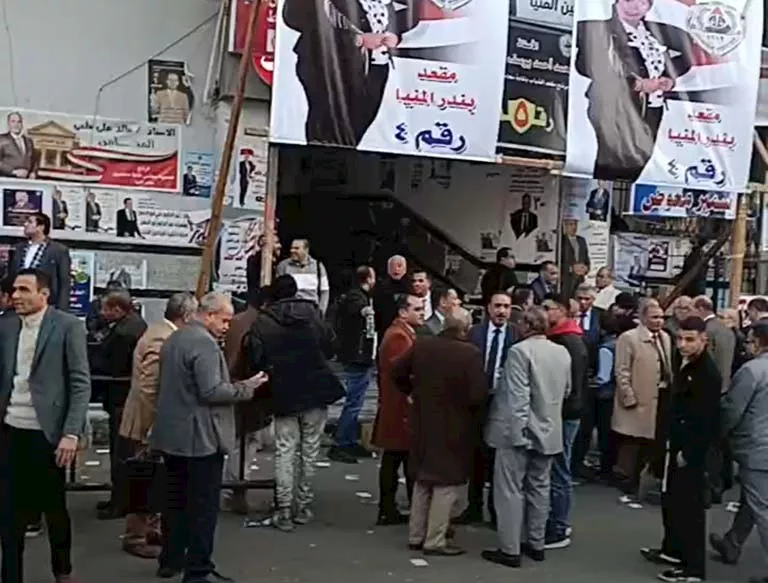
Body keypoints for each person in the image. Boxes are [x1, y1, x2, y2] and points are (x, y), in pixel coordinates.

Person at [152, 292, 269, 582]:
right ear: (209, 315)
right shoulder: (204, 344)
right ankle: (198, 569)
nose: (228, 326)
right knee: (202, 508)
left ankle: (171, 559)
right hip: (200, 436)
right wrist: (246, 387)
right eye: (224, 320)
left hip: (172, 433)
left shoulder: (175, 338)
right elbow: (211, 391)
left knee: (175, 501)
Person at [0, 268, 91, 583]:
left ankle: (62, 570)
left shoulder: (67, 326)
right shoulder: (6, 326)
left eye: (24, 290)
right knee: (9, 512)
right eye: (14, 290)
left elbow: (80, 383)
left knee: (54, 508)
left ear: (44, 294)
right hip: (10, 429)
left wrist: (71, 432)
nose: (16, 296)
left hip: (49, 434)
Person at [247, 275, 343, 531]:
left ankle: (284, 508)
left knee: (285, 450)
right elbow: (331, 347)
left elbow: (256, 358)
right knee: (310, 451)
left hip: (284, 391)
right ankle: (303, 505)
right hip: (316, 387)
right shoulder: (312, 314)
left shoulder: (263, 321)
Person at [394, 307, 487, 556]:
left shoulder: (423, 345)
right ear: (465, 329)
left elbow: (397, 371)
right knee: (446, 482)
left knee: (423, 479)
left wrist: (412, 392)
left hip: (423, 419)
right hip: (455, 423)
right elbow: (477, 395)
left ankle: (416, 534)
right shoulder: (470, 354)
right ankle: (435, 539)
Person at [483, 307, 572, 568]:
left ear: (526, 325)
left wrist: (518, 431)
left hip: (521, 431)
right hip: (550, 429)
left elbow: (517, 397)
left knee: (510, 490)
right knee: (539, 487)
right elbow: (566, 390)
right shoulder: (562, 352)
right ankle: (536, 542)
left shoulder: (519, 352)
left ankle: (509, 548)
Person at [575, 0, 695, 182]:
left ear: (649, 7)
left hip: (651, 105)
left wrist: (668, 78)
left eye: (642, 3)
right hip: (613, 105)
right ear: (616, 2)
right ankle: (600, 195)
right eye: (628, 0)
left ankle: (618, 196)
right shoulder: (599, 29)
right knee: (613, 158)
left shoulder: (655, 32)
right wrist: (636, 84)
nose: (634, 7)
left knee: (639, 158)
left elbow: (687, 55)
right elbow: (586, 65)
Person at [640, 317, 721, 583]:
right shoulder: (683, 362)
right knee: (672, 500)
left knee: (690, 509)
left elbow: (706, 420)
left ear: (704, 340)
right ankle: (672, 549)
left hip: (690, 450)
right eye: (680, 339)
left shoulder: (707, 373)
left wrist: (689, 453)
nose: (683, 345)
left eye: (690, 340)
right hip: (673, 442)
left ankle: (693, 568)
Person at [118, 293, 198, 558]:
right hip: (147, 421)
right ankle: (136, 535)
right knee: (145, 477)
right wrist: (154, 423)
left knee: (153, 477)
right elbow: (150, 386)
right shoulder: (162, 338)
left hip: (147, 418)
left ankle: (150, 529)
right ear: (187, 315)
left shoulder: (160, 332)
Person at [282, 0, 421, 147]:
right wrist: (357, 39)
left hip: (376, 63)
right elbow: (294, 18)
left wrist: (394, 32)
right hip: (327, 63)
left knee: (357, 127)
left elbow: (412, 9)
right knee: (327, 129)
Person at [710, 322, 768, 578]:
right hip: (762, 445)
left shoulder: (752, 371)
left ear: (759, 342)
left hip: (757, 447)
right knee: (753, 499)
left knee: (761, 507)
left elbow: (733, 410)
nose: (746, 346)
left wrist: (719, 434)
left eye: (749, 341)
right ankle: (732, 542)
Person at [459, 291, 516, 526]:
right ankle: (473, 507)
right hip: (477, 401)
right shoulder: (475, 333)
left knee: (498, 459)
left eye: (506, 307)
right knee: (475, 455)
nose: (502, 311)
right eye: (498, 306)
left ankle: (495, 510)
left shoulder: (516, 335)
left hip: (502, 402)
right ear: (489, 308)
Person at [221, 276, 274, 515]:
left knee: (238, 441)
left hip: (231, 383)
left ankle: (232, 487)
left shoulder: (236, 321)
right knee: (247, 442)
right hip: (248, 388)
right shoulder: (260, 324)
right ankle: (236, 490)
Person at [92, 291, 148, 520]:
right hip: (125, 396)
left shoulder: (124, 333)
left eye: (105, 309)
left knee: (121, 453)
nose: (101, 313)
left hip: (121, 397)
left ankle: (120, 501)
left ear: (117, 309)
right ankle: (122, 499)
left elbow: (110, 364)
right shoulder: (135, 324)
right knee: (124, 451)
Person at [613, 299, 672, 507]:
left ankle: (643, 482)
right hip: (637, 398)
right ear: (643, 317)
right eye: (655, 317)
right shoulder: (628, 338)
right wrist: (628, 396)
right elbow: (621, 371)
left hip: (660, 397)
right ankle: (627, 482)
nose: (659, 321)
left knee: (652, 443)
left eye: (662, 317)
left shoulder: (665, 337)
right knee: (633, 443)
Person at [371, 294, 424, 525]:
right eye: (417, 309)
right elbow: (402, 372)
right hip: (399, 408)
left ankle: (390, 508)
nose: (422, 313)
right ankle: (390, 508)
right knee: (398, 460)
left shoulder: (403, 334)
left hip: (397, 407)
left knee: (396, 460)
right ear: (403, 312)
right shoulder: (399, 337)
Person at [541, 293, 588, 549]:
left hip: (565, 414)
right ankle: (557, 521)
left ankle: (558, 526)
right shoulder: (567, 339)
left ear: (561, 310)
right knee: (558, 467)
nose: (544, 312)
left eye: (548, 308)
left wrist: (562, 411)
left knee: (559, 469)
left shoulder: (568, 341)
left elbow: (573, 384)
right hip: (567, 412)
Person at [328, 266, 378, 464]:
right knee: (354, 401)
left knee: (356, 399)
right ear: (368, 279)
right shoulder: (357, 297)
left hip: (358, 354)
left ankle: (348, 439)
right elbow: (358, 309)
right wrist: (366, 311)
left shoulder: (357, 296)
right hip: (357, 355)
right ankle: (341, 442)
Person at [571, 284, 605, 477]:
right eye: (580, 299)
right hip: (572, 371)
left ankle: (579, 460)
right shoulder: (570, 315)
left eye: (587, 299)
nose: (583, 303)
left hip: (591, 374)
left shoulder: (600, 316)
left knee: (586, 421)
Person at [8, 213, 71, 311]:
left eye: (30, 222)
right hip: (19, 302)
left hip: (46, 303)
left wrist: (62, 309)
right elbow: (11, 276)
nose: (25, 224)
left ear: (41, 227)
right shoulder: (19, 248)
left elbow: (64, 282)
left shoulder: (58, 250)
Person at [275, 238, 330, 314]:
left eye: (296, 248)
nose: (292, 251)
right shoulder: (283, 266)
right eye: (291, 248)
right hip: (290, 311)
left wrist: (321, 312)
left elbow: (324, 292)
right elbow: (278, 291)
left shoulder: (318, 266)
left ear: (306, 250)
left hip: (312, 311)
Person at [373, 254, 409, 338]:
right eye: (392, 266)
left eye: (399, 266)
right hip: (385, 329)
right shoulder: (381, 288)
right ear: (388, 269)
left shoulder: (410, 287)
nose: (396, 269)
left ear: (405, 269)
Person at [560, 219, 590, 299]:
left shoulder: (581, 240)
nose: (574, 227)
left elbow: (586, 258)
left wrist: (586, 268)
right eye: (571, 224)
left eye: (575, 224)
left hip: (580, 279)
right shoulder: (561, 241)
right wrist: (571, 268)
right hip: (566, 280)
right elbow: (558, 260)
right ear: (564, 226)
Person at [0, 111, 35, 179]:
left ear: (22, 124)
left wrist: (33, 172)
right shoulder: (1, 139)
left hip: (26, 181)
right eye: (13, 121)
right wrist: (13, 171)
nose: (16, 124)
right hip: (6, 179)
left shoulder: (29, 142)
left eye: (19, 122)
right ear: (8, 124)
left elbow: (34, 160)